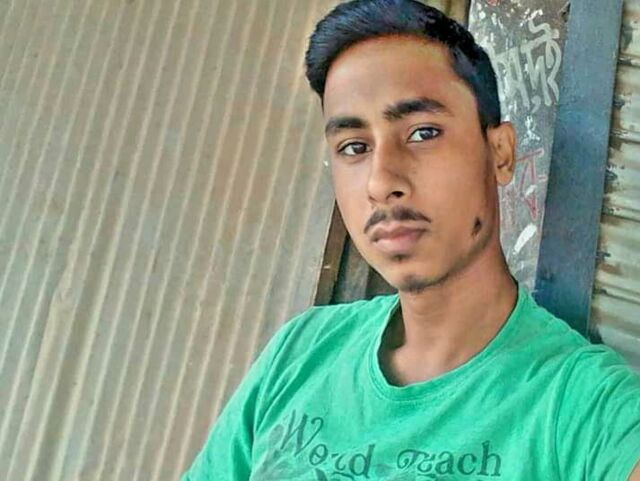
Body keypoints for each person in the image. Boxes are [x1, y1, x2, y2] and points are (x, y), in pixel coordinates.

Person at [181, 1, 640, 479]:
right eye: (354, 147)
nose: (382, 181)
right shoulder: (301, 352)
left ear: (500, 154)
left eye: (422, 133)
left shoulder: (581, 406)